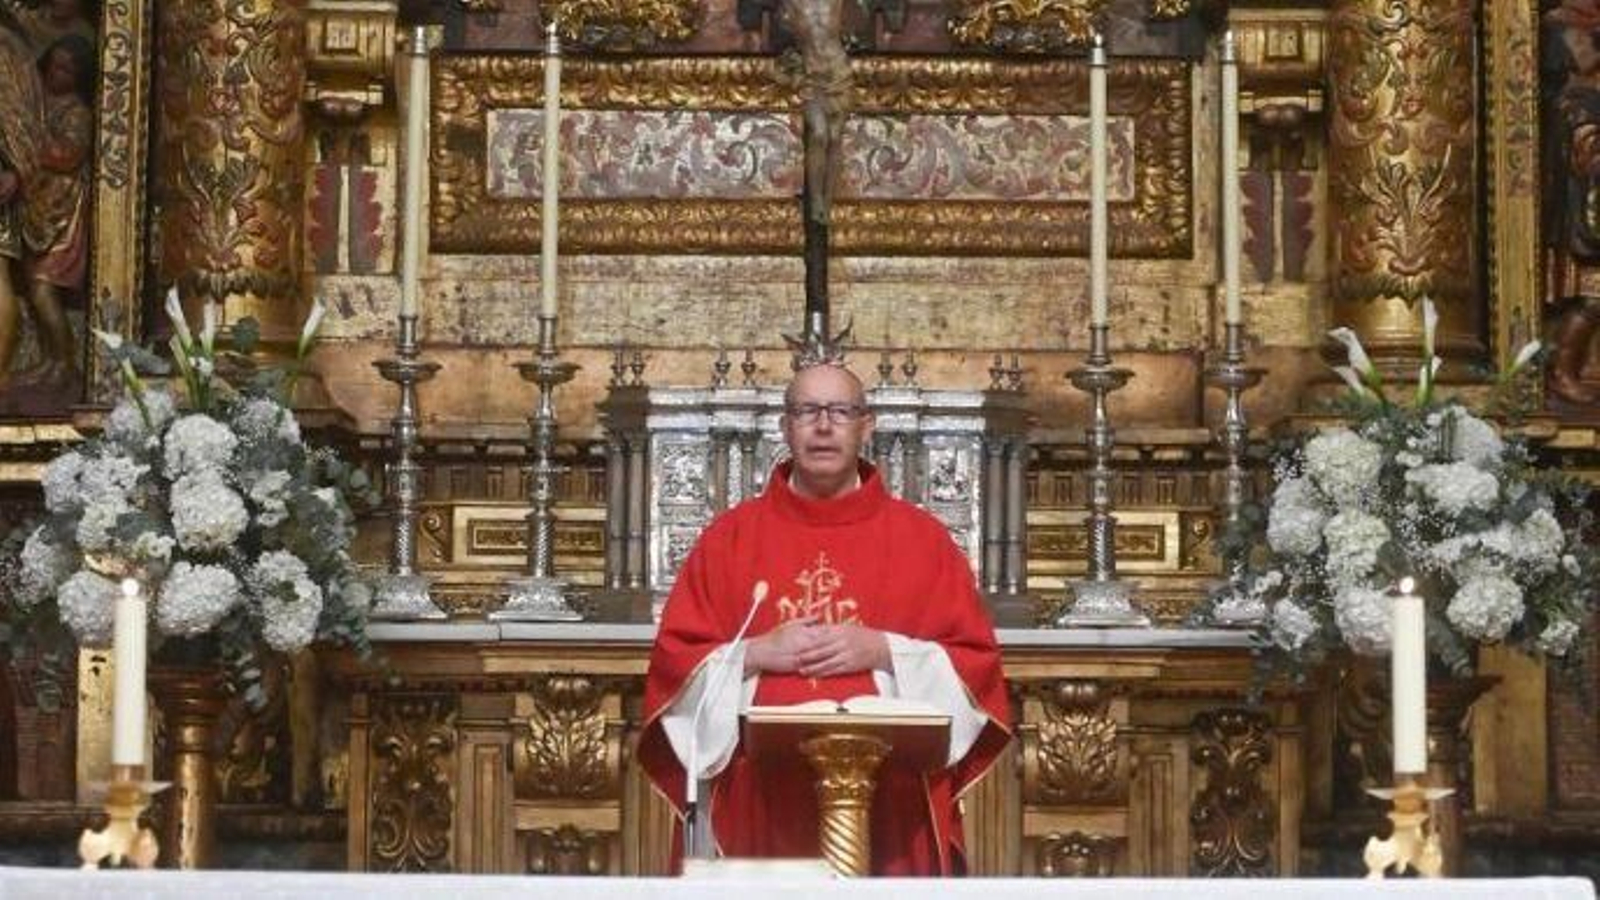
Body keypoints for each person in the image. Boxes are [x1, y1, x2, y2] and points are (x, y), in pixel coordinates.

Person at [638, 362, 1011, 876]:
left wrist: (884, 650)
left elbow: (975, 670)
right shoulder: (730, 539)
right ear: (785, 426)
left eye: (840, 411)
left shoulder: (922, 542)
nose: (823, 425)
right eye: (807, 411)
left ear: (867, 425)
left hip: (893, 800)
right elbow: (674, 669)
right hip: (758, 798)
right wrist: (756, 653)